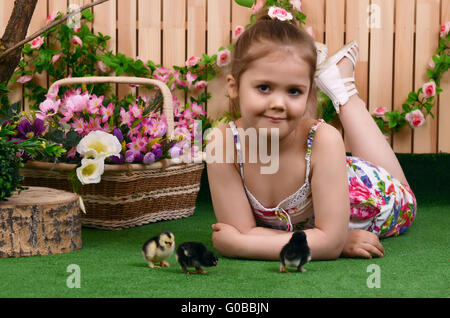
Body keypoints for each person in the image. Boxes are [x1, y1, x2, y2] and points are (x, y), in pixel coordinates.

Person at [206, 10, 417, 261]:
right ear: (234, 87)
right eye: (264, 88)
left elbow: (242, 238)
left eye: (294, 91)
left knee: (406, 195)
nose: (278, 103)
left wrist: (242, 247)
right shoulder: (222, 143)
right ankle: (340, 83)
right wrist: (323, 239)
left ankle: (344, 91)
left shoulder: (323, 139)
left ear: (308, 94)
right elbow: (244, 230)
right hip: (328, 181)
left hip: (372, 193)